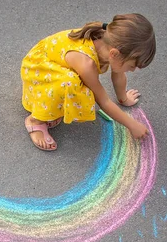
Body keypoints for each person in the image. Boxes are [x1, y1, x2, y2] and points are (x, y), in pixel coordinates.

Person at [21, 13, 156, 151]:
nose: (133, 70)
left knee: (75, 85)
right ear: (114, 54)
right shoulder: (87, 64)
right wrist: (132, 125)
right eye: (132, 66)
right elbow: (104, 101)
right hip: (38, 71)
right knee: (71, 84)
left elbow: (118, 75)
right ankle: (35, 120)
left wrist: (123, 98)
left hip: (54, 67)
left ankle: (52, 107)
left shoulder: (111, 44)